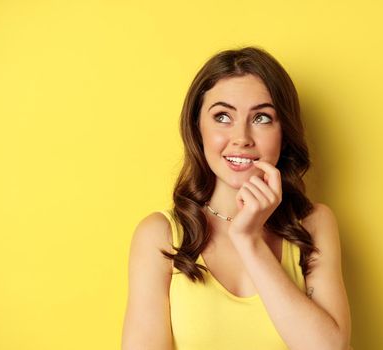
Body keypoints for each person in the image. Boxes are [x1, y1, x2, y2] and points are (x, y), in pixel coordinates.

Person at [121, 46, 352, 350]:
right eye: (222, 116)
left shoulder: (314, 224)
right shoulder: (160, 235)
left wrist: (249, 240)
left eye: (262, 118)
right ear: (197, 128)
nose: (242, 137)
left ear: (284, 133)